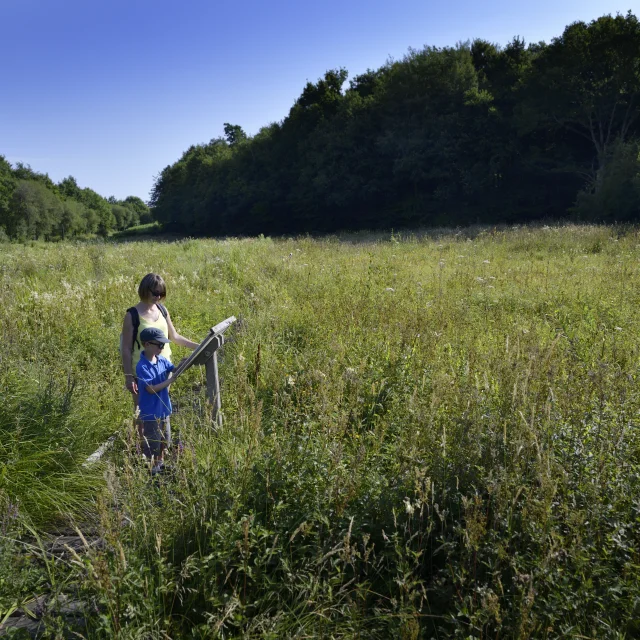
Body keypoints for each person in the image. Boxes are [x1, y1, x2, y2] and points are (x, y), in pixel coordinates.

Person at [121, 273, 198, 446]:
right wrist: (128, 376)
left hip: (163, 370)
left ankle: (160, 449)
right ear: (144, 290)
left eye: (161, 294)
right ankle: (141, 450)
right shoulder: (132, 315)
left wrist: (198, 347)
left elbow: (175, 336)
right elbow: (125, 348)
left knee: (161, 408)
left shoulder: (162, 310)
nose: (158, 297)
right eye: (155, 293)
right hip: (142, 371)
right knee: (143, 412)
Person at [136, 327, 182, 469]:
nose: (162, 348)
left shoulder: (162, 360)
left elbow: (175, 370)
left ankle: (160, 463)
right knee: (153, 442)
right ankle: (153, 468)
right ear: (147, 344)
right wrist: (170, 380)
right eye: (159, 345)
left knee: (164, 440)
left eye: (164, 345)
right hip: (151, 413)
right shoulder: (142, 366)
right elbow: (150, 389)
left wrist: (184, 363)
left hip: (164, 410)